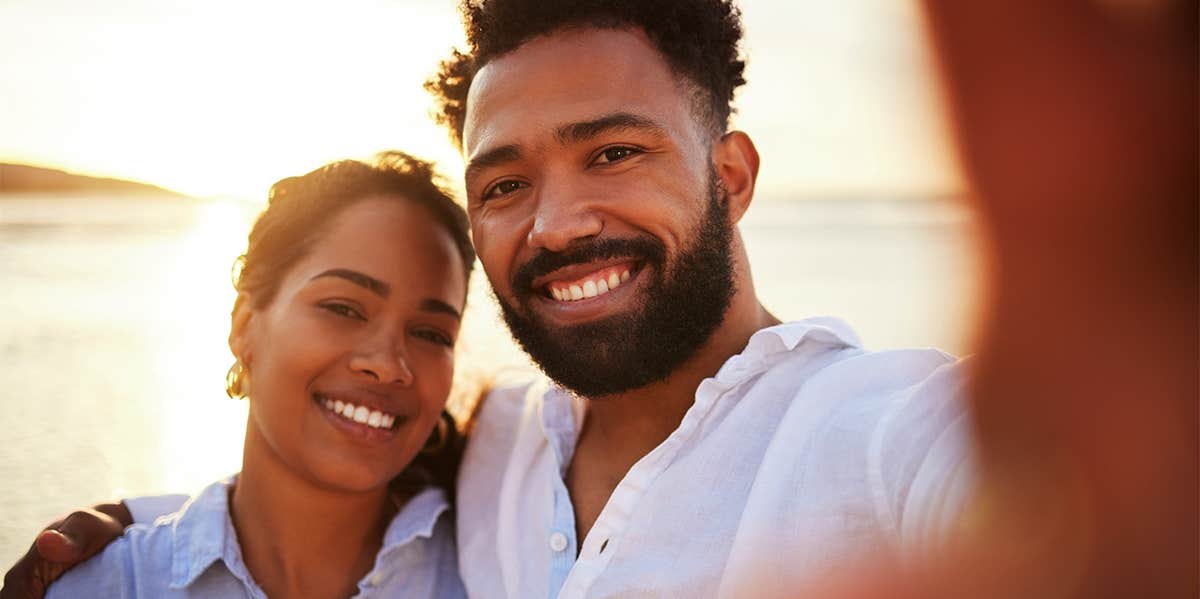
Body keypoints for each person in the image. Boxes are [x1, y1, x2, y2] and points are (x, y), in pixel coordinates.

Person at [4, 2, 976, 598]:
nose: (554, 224)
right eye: (504, 184)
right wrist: (110, 537)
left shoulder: (886, 432)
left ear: (731, 176)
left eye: (612, 152)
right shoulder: (501, 448)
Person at [36, 152, 475, 598]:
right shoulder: (106, 587)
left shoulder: (497, 571)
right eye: (342, 308)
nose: (387, 364)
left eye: (430, 333)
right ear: (245, 324)